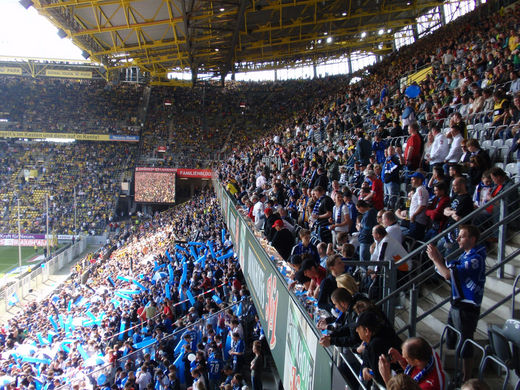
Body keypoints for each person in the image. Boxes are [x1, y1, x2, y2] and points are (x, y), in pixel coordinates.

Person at [426, 225, 486, 382]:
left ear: (472, 239)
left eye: (462, 236)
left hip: (467, 307)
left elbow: (447, 274)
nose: (458, 239)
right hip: (457, 304)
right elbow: (447, 268)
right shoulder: (465, 256)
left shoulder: (475, 259)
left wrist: (435, 259)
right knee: (454, 341)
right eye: (458, 236)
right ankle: (459, 374)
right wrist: (438, 258)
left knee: (466, 343)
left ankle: (467, 379)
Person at [378, 337, 446, 390]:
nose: (403, 357)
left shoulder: (427, 387)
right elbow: (412, 372)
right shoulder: (427, 351)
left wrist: (387, 379)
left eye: (406, 358)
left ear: (416, 361)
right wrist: (400, 359)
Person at [355, 310, 402, 386]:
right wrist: (365, 366)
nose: (357, 333)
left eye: (358, 331)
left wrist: (366, 368)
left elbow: (379, 377)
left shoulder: (375, 345)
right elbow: (367, 357)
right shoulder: (385, 330)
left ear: (366, 331)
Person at [397, 172, 429, 241]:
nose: (411, 181)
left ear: (419, 180)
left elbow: (422, 205)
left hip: (417, 221)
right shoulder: (419, 190)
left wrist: (413, 215)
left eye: (413, 179)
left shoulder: (421, 190)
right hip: (415, 220)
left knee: (413, 240)